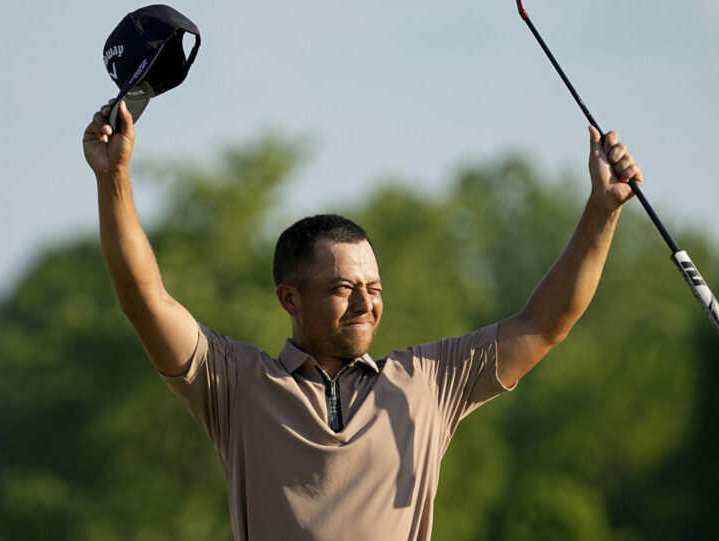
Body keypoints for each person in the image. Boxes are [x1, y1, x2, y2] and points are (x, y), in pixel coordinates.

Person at [82, 99, 643, 540]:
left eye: (374, 289)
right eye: (343, 288)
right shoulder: (236, 383)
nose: (365, 303)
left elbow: (544, 323)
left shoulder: (427, 382)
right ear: (290, 299)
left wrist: (602, 209)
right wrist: (115, 179)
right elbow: (145, 300)